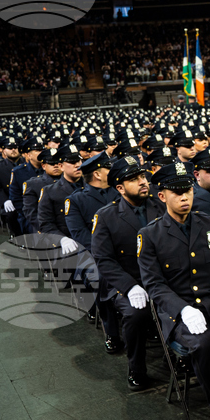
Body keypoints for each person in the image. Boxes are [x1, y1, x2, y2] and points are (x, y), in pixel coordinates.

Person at [138, 162, 210, 420]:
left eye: (188, 191)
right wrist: (183, 309)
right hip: (180, 313)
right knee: (204, 344)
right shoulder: (150, 235)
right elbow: (154, 285)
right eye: (177, 193)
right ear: (162, 196)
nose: (185, 197)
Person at [92, 156, 166, 390]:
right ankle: (136, 368)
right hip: (128, 282)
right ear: (120, 188)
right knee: (136, 315)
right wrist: (130, 286)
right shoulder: (106, 216)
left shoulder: (161, 206)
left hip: (163, 280)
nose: (143, 182)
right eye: (134, 179)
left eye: (142, 176)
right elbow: (104, 260)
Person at [66, 152, 123, 354]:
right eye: (109, 168)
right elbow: (80, 235)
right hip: (95, 256)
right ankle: (112, 332)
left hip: (126, 252)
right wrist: (109, 251)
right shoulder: (76, 200)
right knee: (98, 278)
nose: (113, 171)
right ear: (98, 174)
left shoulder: (119, 191)